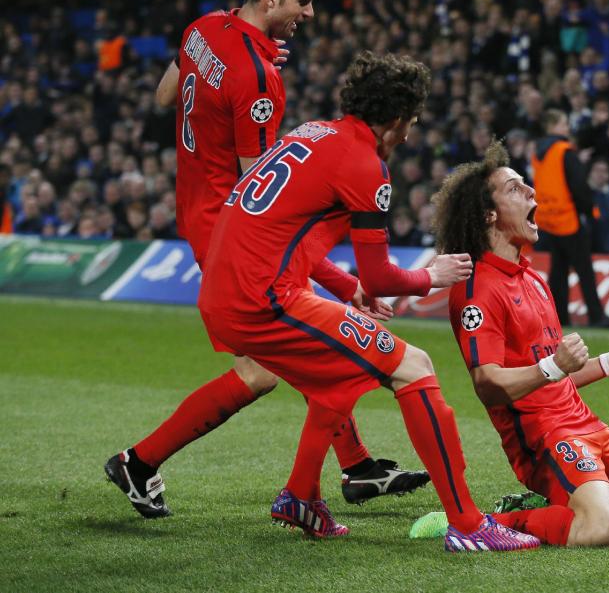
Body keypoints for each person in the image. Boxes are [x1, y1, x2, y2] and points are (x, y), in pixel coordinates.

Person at [105, 0, 428, 531]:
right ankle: (139, 460)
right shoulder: (261, 79)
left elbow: (163, 96)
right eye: (303, 2)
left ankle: (356, 466)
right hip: (229, 228)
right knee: (265, 368)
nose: (309, 13)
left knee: (297, 350)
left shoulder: (202, 28)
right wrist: (339, 277)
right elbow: (262, 196)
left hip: (196, 205)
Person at [196, 51, 540, 552]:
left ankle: (300, 495)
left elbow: (288, 233)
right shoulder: (366, 165)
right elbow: (379, 275)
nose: (410, 133)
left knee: (343, 369)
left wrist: (344, 288)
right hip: (264, 298)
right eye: (412, 122)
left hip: (228, 288)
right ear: (397, 119)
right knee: (414, 366)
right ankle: (468, 524)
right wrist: (430, 276)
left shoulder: (311, 133)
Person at [412, 142, 609, 548]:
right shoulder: (477, 289)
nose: (532, 192)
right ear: (489, 215)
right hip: (545, 441)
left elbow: (556, 372)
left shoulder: (532, 279)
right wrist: (553, 367)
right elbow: (488, 384)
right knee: (603, 530)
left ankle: (571, 497)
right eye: (515, 189)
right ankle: (481, 521)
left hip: (589, 427)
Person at [532, 109, 609, 327]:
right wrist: (590, 210)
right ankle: (597, 315)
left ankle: (559, 317)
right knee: (584, 270)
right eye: (563, 123)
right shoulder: (564, 151)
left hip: (547, 220)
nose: (567, 128)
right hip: (568, 220)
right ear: (552, 126)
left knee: (558, 271)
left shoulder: (537, 153)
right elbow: (578, 186)